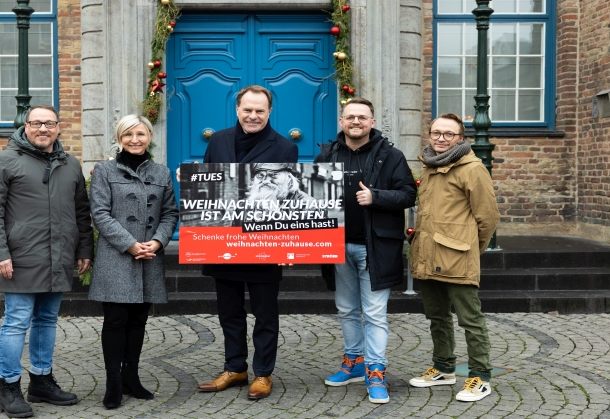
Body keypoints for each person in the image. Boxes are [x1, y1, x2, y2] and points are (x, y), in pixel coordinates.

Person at [0, 105, 94, 418]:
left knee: (46, 320)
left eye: (49, 123)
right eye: (36, 123)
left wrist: (84, 250)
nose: (43, 129)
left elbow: (81, 212)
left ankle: (41, 381)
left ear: (58, 127)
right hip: (19, 256)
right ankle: (9, 387)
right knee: (16, 321)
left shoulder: (70, 164)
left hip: (59, 256)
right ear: (25, 126)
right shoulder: (4, 161)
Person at [195, 85, 297, 400]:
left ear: (269, 112)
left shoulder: (283, 147)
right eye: (247, 110)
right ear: (237, 109)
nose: (253, 116)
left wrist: (286, 244)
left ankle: (263, 373)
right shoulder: (219, 140)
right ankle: (235, 368)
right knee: (229, 311)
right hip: (222, 238)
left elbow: (289, 197)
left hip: (263, 242)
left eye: (260, 111)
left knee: (265, 313)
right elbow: (209, 187)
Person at [314, 97, 416, 404]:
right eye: (350, 117)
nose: (356, 121)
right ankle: (354, 361)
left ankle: (376, 370)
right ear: (342, 122)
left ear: (372, 123)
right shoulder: (326, 154)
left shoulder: (391, 155)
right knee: (346, 309)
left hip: (377, 247)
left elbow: (409, 193)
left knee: (373, 313)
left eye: (362, 117)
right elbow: (308, 196)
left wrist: (377, 197)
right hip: (337, 246)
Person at [88, 114, 179, 409]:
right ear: (119, 138)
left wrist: (158, 241)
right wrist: (129, 245)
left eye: (140, 134)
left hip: (149, 256)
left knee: (138, 319)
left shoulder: (162, 173)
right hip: (117, 256)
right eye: (128, 134)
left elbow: (170, 214)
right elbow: (100, 213)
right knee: (116, 320)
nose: (135, 140)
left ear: (149, 136)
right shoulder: (104, 170)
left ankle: (132, 377)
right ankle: (113, 382)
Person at [408, 112, 499, 402]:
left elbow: (488, 218)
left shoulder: (472, 168)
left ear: (460, 138)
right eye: (436, 133)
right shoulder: (429, 166)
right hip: (428, 253)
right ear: (430, 134)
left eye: (448, 134)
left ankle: (481, 376)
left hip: (457, 256)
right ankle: (444, 367)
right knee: (436, 317)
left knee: (470, 319)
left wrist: (471, 248)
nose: (441, 138)